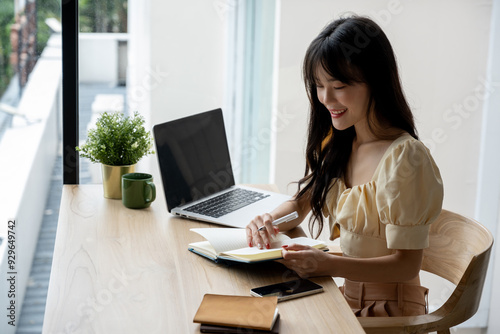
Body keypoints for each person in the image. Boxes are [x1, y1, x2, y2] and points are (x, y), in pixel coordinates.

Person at [245, 15, 444, 317]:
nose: (326, 98)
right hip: (347, 298)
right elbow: (301, 205)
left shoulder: (406, 158)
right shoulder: (341, 143)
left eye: (338, 85)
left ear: (375, 82)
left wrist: (328, 265)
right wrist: (266, 221)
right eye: (318, 85)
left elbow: (407, 265)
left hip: (391, 311)